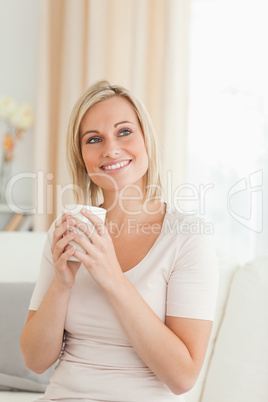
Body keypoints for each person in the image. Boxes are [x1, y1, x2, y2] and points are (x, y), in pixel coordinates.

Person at [20, 80, 219, 402]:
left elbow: (183, 377)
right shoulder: (69, 229)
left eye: (124, 131)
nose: (110, 149)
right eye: (94, 139)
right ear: (82, 156)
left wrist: (112, 278)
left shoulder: (188, 238)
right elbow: (35, 360)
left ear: (146, 140)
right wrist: (61, 283)